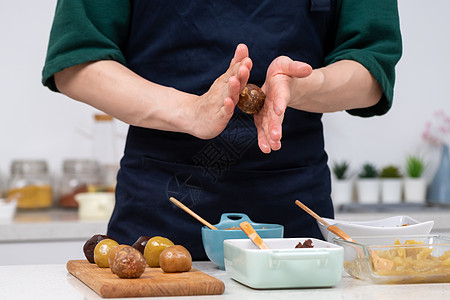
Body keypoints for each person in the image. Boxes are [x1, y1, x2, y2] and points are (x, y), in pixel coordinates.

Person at [42, 0, 402, 259]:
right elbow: (77, 59)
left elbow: (372, 67)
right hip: (158, 211)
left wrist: (300, 87)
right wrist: (190, 110)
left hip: (293, 225)